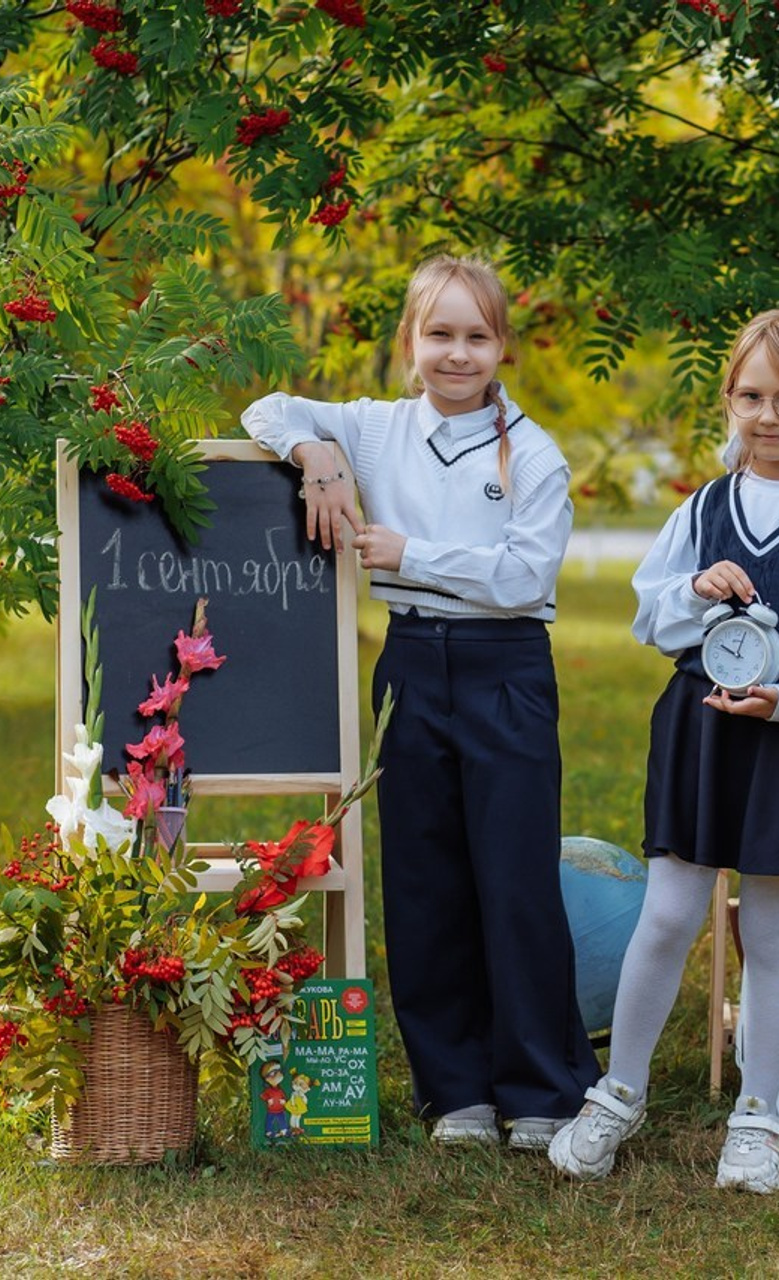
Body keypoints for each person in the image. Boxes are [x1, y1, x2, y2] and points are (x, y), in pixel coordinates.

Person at [242, 253, 597, 1150]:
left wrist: (412, 555)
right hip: (411, 665)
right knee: (425, 876)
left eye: (477, 336)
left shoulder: (537, 452)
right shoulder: (374, 428)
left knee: (513, 880)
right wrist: (315, 454)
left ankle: (541, 1090)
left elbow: (524, 577)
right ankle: (457, 1092)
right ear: (411, 341)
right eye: (440, 334)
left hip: (504, 665)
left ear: (502, 346)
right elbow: (266, 410)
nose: (457, 354)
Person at [548, 308, 779, 1193]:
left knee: (771, 930)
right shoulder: (704, 507)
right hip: (701, 730)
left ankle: (759, 1120)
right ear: (728, 399)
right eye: (752, 396)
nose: (770, 415)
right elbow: (649, 614)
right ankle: (616, 1094)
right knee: (668, 916)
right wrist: (698, 593)